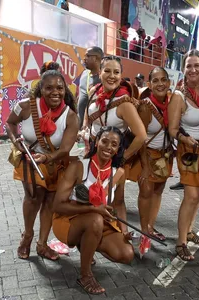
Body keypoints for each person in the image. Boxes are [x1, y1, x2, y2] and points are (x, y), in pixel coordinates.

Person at [6, 70, 78, 260]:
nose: (55, 92)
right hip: (30, 160)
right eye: (49, 88)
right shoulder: (26, 106)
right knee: (33, 196)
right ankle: (27, 237)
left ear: (65, 90)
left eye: (60, 88)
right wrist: (15, 141)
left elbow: (65, 149)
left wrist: (46, 158)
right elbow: (10, 123)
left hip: (55, 162)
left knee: (50, 202)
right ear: (41, 89)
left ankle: (42, 244)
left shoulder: (70, 116)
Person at [52, 126, 134, 295]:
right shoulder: (79, 166)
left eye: (114, 144)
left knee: (127, 254)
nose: (108, 147)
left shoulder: (118, 173)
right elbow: (57, 205)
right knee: (95, 219)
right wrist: (93, 208)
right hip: (67, 220)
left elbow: (119, 204)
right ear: (97, 142)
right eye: (104, 141)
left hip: (98, 221)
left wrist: (124, 230)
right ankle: (85, 274)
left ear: (118, 149)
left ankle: (87, 243)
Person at [82, 56, 146, 235]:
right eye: (107, 71)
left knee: (117, 199)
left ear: (121, 75)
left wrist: (122, 157)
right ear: (99, 72)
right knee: (89, 197)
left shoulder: (124, 102)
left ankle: (123, 234)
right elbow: (88, 116)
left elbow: (141, 136)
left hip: (113, 159)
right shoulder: (94, 91)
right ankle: (90, 236)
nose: (112, 76)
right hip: (92, 156)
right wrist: (85, 130)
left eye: (116, 72)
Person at [168, 49, 199, 261]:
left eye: (196, 65)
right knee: (190, 196)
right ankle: (180, 242)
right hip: (190, 151)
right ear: (183, 69)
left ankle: (189, 231)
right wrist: (186, 139)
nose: (193, 69)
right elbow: (172, 129)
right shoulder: (179, 96)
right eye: (188, 66)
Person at [128, 67, 173, 252]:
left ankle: (150, 227)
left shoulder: (173, 103)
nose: (160, 84)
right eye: (156, 80)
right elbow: (141, 138)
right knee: (146, 192)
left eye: (164, 80)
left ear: (169, 83)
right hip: (146, 156)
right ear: (149, 84)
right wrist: (145, 167)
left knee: (158, 191)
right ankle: (144, 230)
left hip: (165, 155)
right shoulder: (145, 106)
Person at [78, 47, 104, 129]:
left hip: (95, 129)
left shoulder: (104, 78)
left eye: (87, 56)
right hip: (80, 128)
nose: (84, 59)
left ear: (96, 58)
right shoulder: (84, 74)